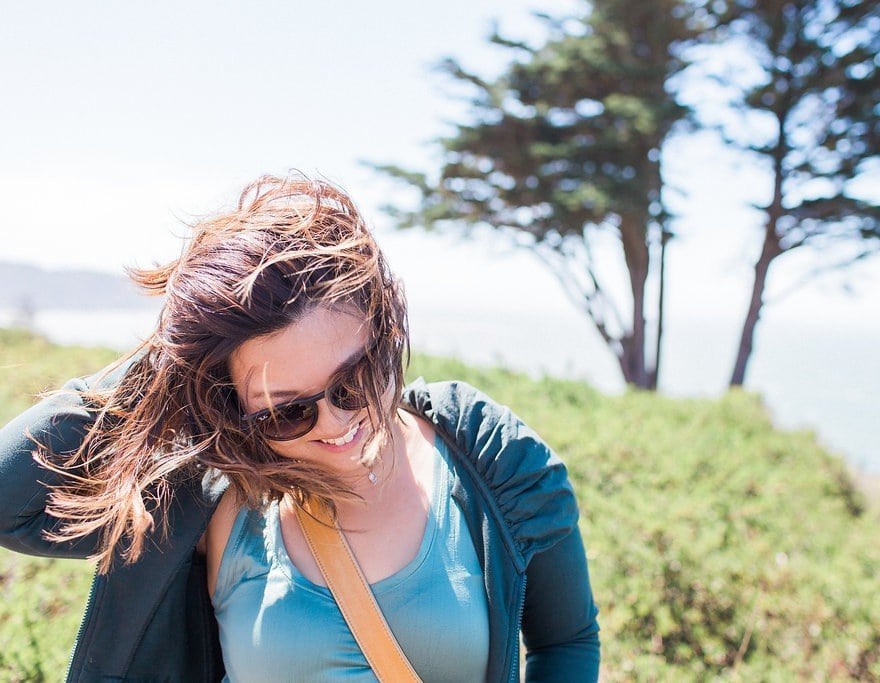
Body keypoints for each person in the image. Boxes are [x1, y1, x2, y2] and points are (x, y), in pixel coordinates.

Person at [0, 174, 600, 682]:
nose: (338, 424)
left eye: (353, 382)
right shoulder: (205, 496)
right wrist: (173, 356)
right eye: (289, 410)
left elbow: (565, 640)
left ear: (385, 330)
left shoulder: (488, 457)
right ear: (232, 402)